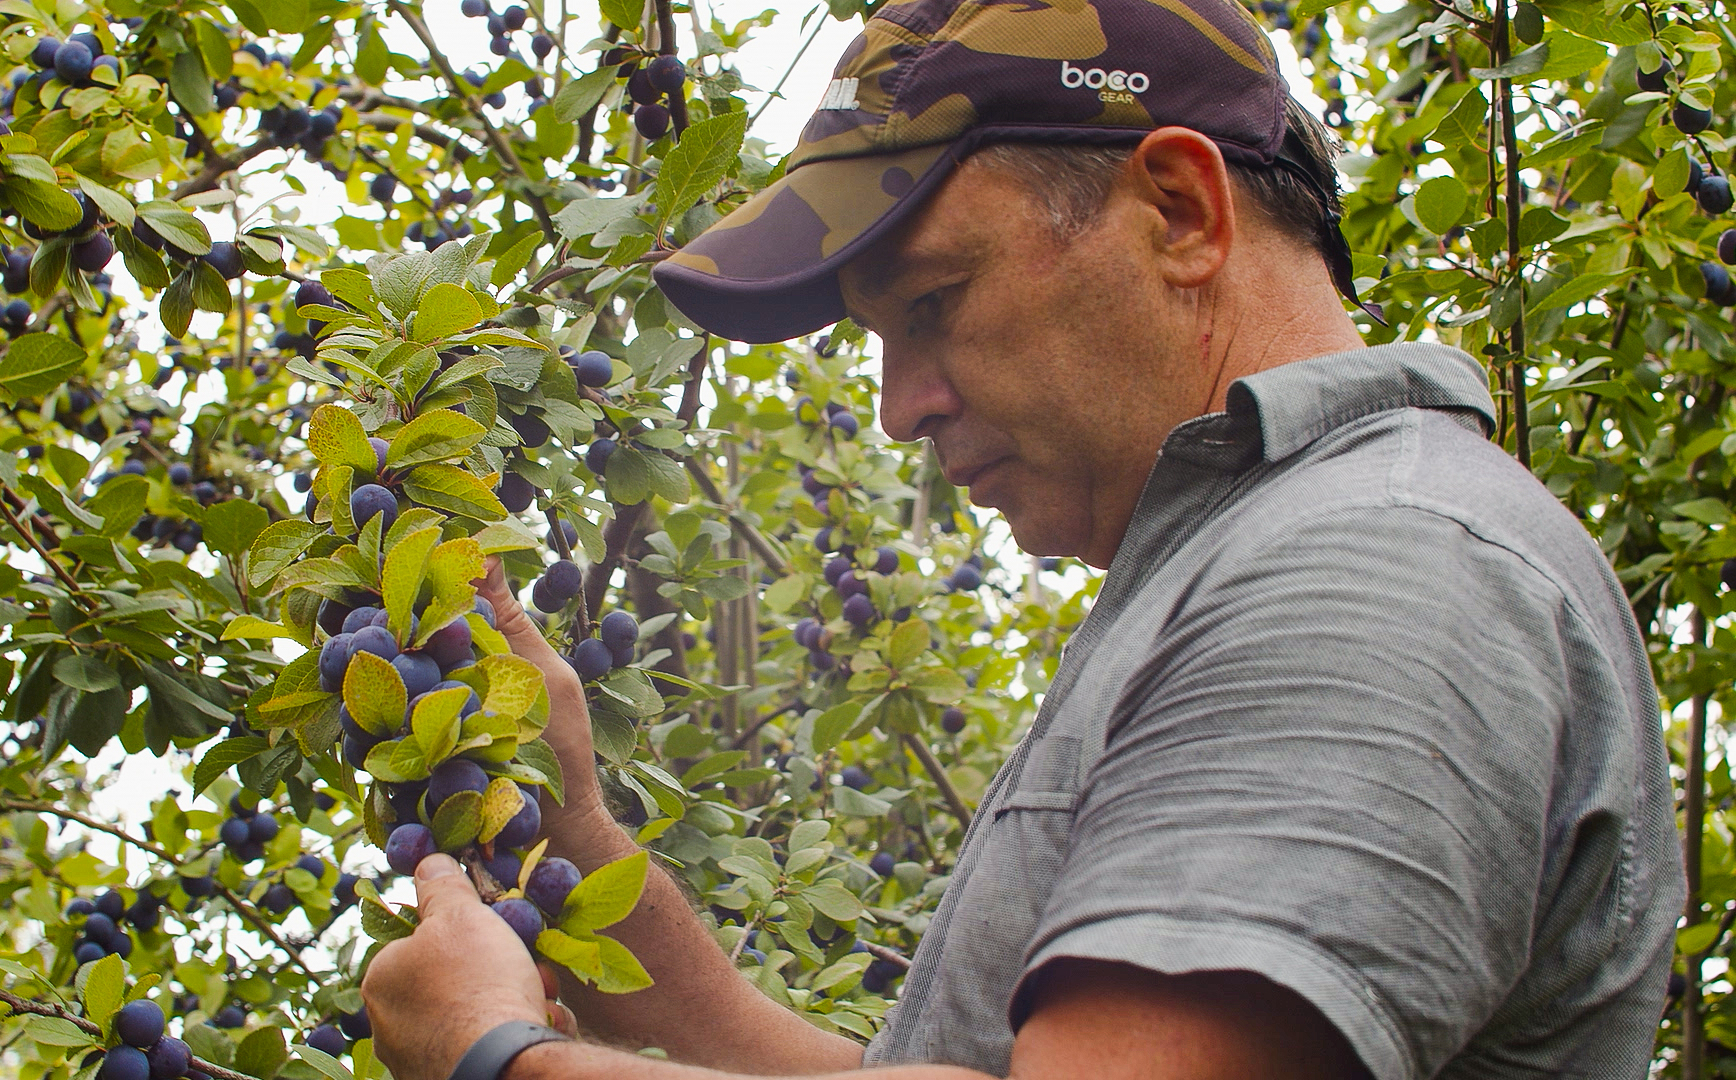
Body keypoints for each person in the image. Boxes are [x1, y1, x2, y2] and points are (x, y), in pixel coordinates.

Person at [363, 0, 1684, 1077]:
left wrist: (503, 1066)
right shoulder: (1250, 565)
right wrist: (578, 834)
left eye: (932, 302)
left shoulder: (1383, 570)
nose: (899, 408)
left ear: (1179, 212)